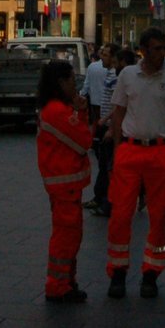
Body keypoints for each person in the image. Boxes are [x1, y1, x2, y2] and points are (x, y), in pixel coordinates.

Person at [105, 28, 165, 300]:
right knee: (120, 214)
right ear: (143, 50)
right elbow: (118, 112)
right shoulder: (128, 75)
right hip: (130, 149)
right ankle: (118, 271)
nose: (162, 53)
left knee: (160, 215)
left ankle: (151, 272)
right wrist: (117, 148)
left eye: (164, 48)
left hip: (160, 150)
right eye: (156, 48)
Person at [35, 59, 91, 303]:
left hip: (63, 183)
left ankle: (65, 280)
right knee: (67, 235)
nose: (75, 84)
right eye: (71, 79)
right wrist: (81, 113)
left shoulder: (54, 108)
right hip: (64, 183)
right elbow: (83, 140)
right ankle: (58, 285)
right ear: (60, 82)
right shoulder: (58, 111)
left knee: (70, 234)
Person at [82, 45, 116, 217]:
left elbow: (118, 104)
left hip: (109, 124)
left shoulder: (115, 74)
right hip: (104, 120)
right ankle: (102, 197)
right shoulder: (107, 72)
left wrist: (108, 123)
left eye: (105, 54)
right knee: (104, 162)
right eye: (102, 53)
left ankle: (107, 200)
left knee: (107, 164)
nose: (102, 57)